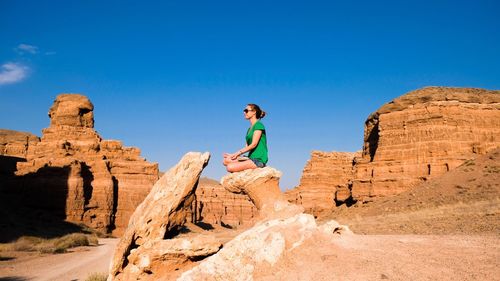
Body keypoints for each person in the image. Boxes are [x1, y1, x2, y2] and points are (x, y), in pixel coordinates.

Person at [223, 103, 268, 172]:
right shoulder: (249, 129)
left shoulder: (259, 125)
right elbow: (247, 146)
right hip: (250, 158)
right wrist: (234, 155)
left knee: (230, 167)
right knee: (226, 161)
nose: (244, 112)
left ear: (254, 112)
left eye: (246, 110)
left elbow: (253, 144)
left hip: (258, 160)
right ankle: (246, 161)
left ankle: (261, 166)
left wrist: (238, 153)